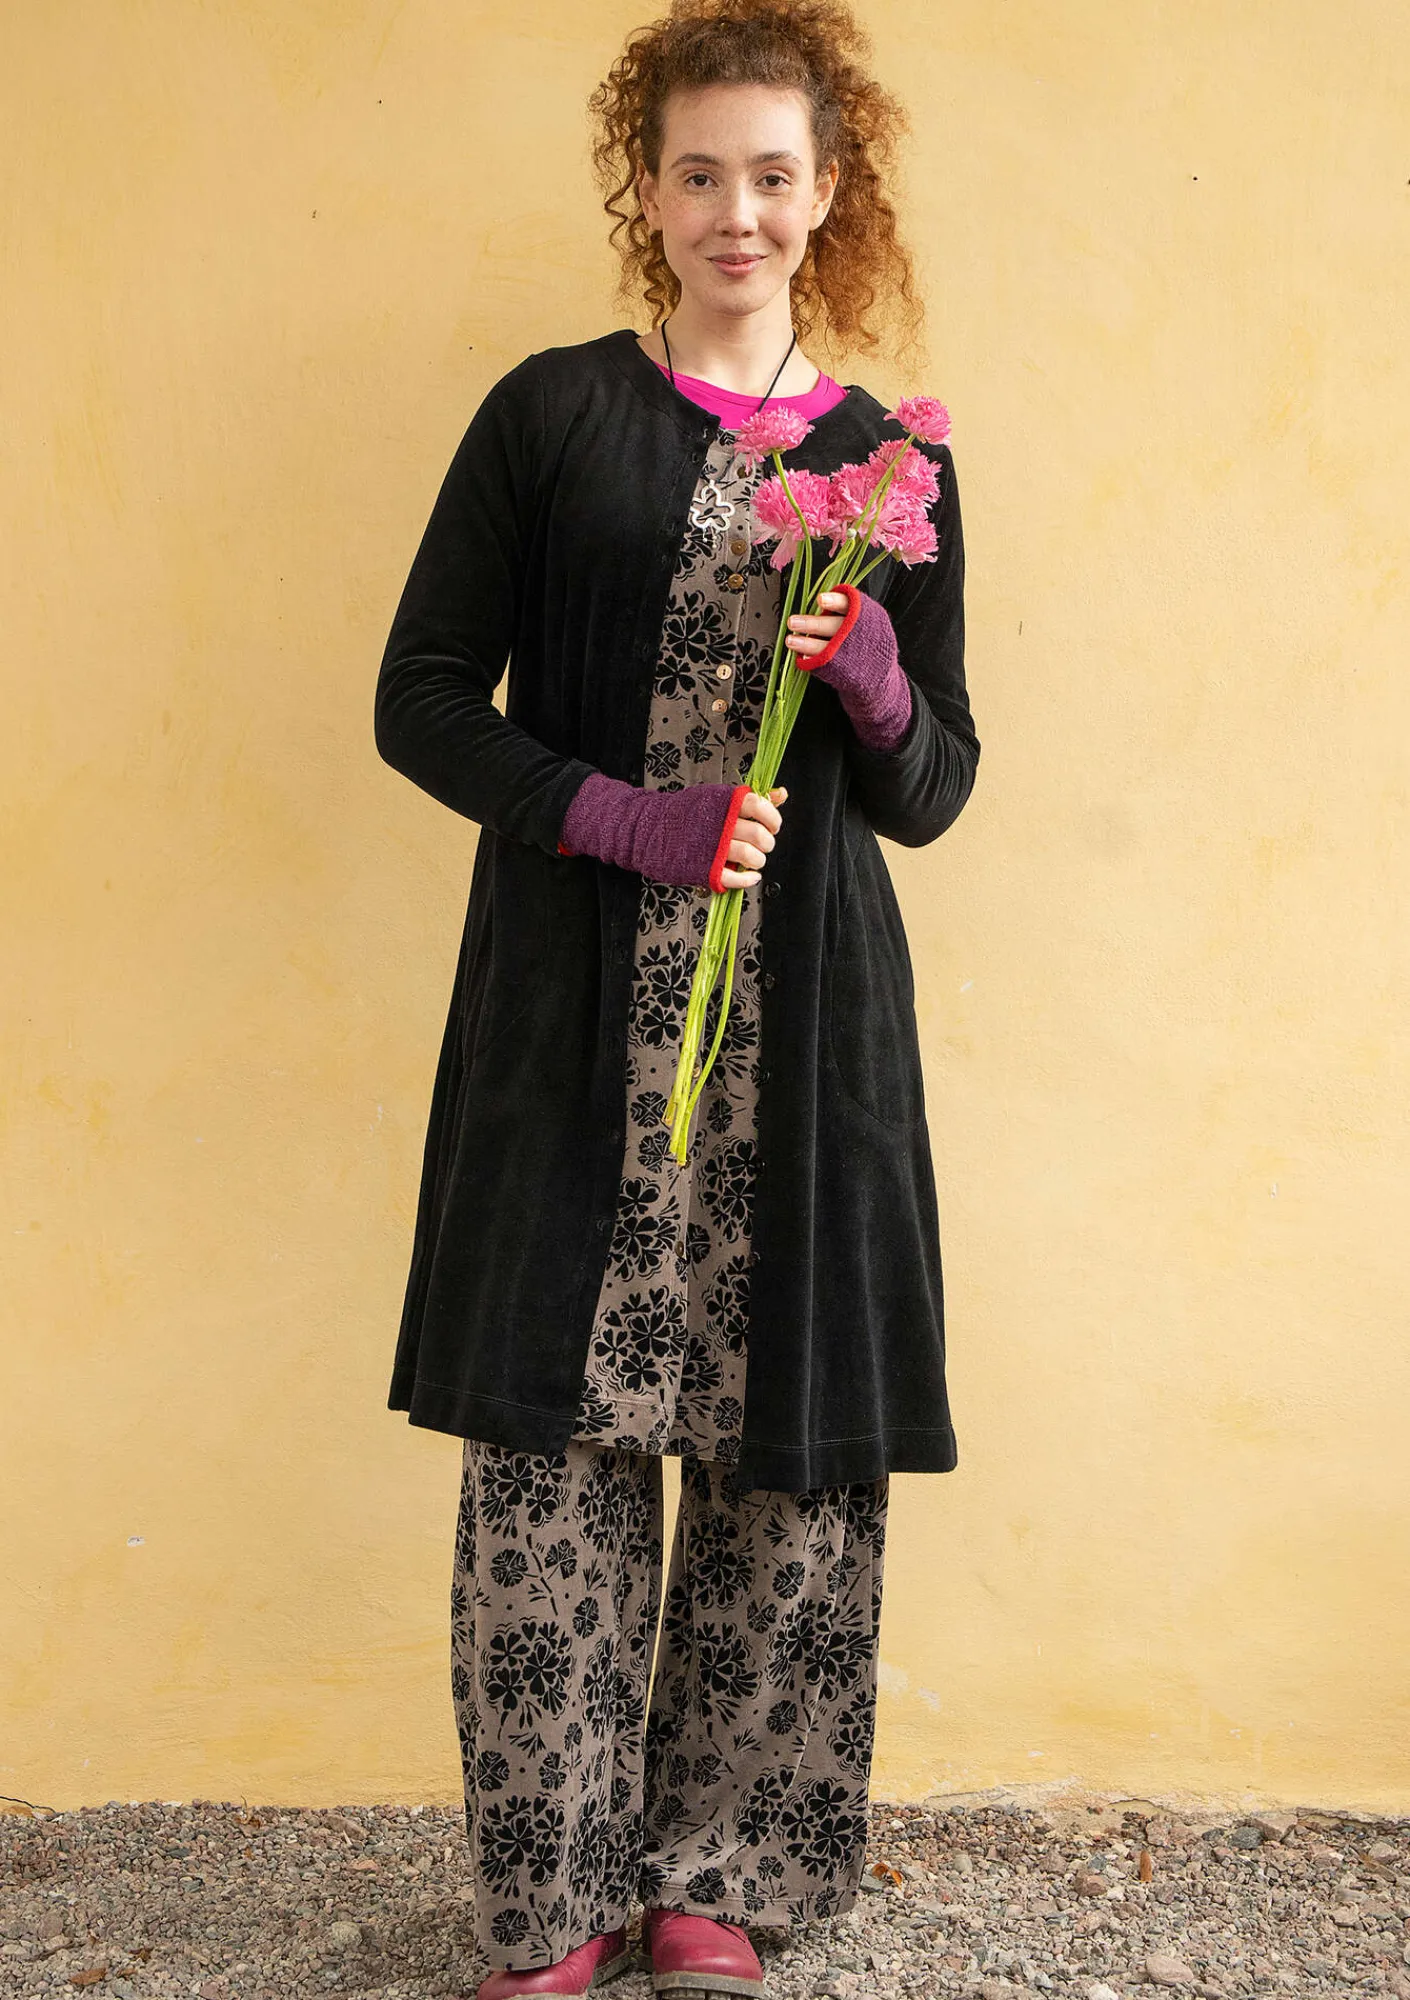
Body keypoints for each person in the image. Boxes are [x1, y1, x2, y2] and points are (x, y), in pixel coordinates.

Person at [374, 2, 980, 1994]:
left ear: (828, 192)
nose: (738, 211)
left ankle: (719, 1872)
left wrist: (871, 673)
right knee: (549, 1459)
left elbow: (934, 786)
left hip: (803, 1035)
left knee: (781, 1456)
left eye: (773, 176)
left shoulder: (888, 463)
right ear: (645, 188)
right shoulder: (552, 416)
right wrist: (627, 820)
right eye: (700, 172)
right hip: (573, 1020)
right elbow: (419, 700)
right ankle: (552, 1898)